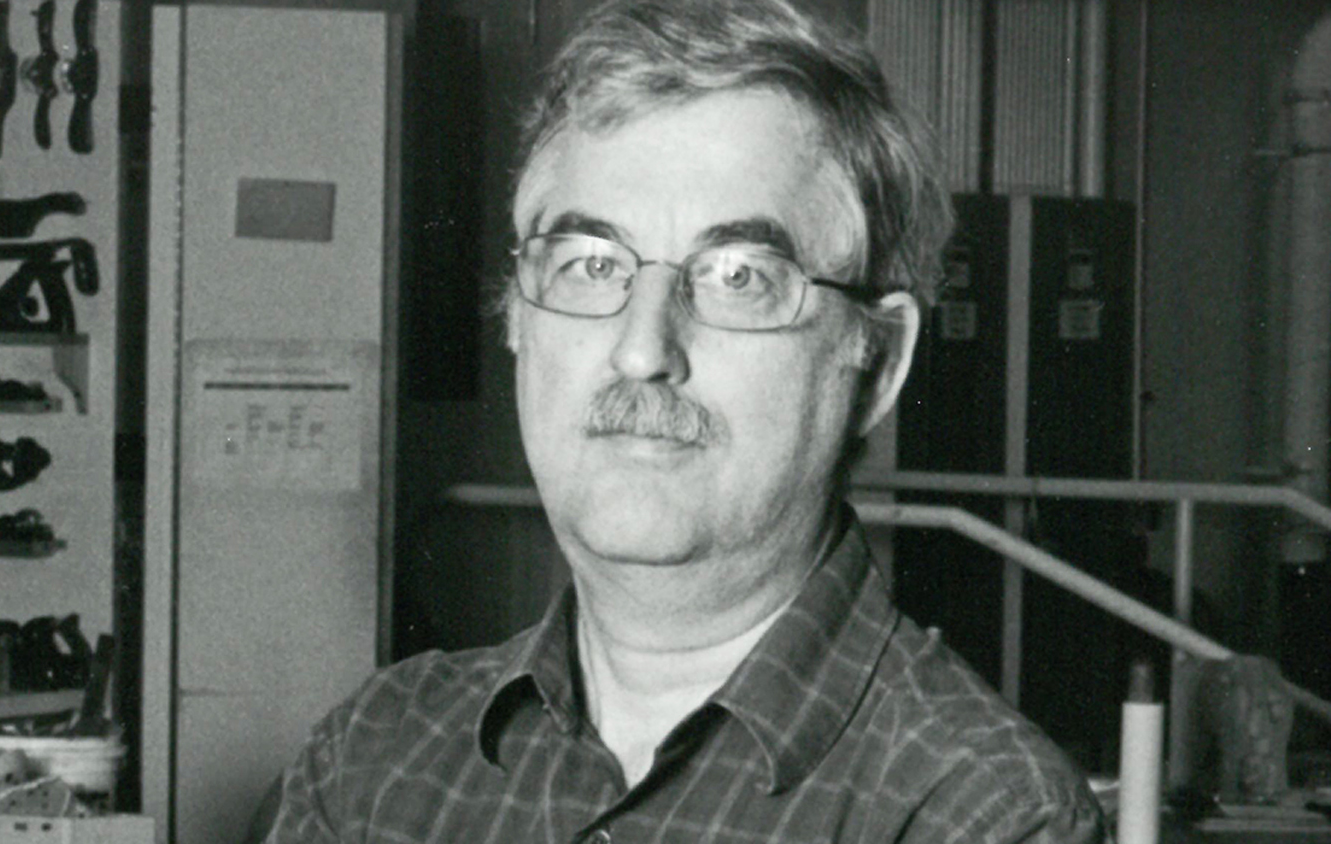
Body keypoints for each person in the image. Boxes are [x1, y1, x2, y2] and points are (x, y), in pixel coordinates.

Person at [264, 0, 1105, 841]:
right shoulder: (373, 766)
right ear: (517, 318)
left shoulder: (987, 817)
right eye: (591, 264)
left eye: (739, 276)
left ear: (877, 364)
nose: (642, 350)